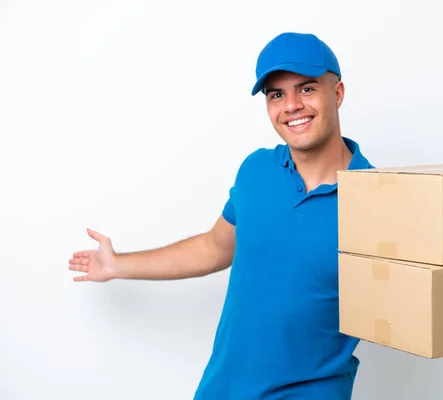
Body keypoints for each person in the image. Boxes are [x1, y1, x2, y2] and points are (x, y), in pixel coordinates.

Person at [68, 32, 374, 399]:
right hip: (225, 388)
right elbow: (214, 248)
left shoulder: (377, 201)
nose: (291, 105)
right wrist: (118, 265)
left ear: (337, 93)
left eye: (306, 89)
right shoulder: (256, 171)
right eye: (277, 94)